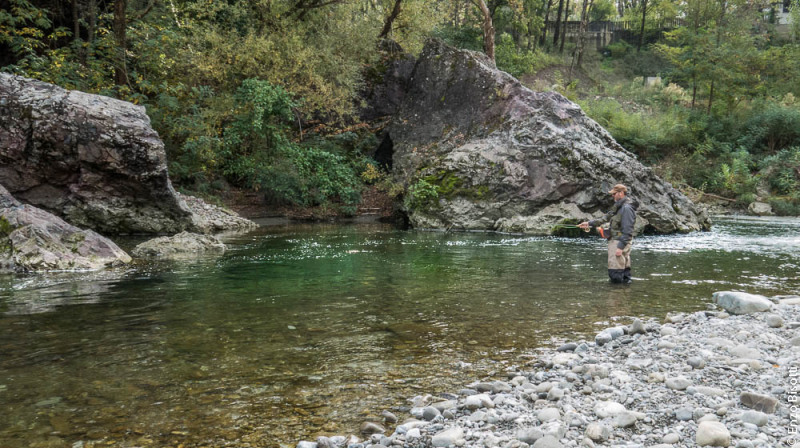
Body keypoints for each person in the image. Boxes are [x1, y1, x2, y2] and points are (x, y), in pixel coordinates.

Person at [578, 184, 637, 284]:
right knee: (625, 275)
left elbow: (628, 229)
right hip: (620, 240)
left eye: (614, 194)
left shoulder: (626, 208)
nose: (612, 196)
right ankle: (623, 294)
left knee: (615, 273)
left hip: (619, 242)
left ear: (621, 193)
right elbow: (605, 218)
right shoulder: (619, 206)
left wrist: (620, 247)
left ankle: (615, 297)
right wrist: (588, 223)